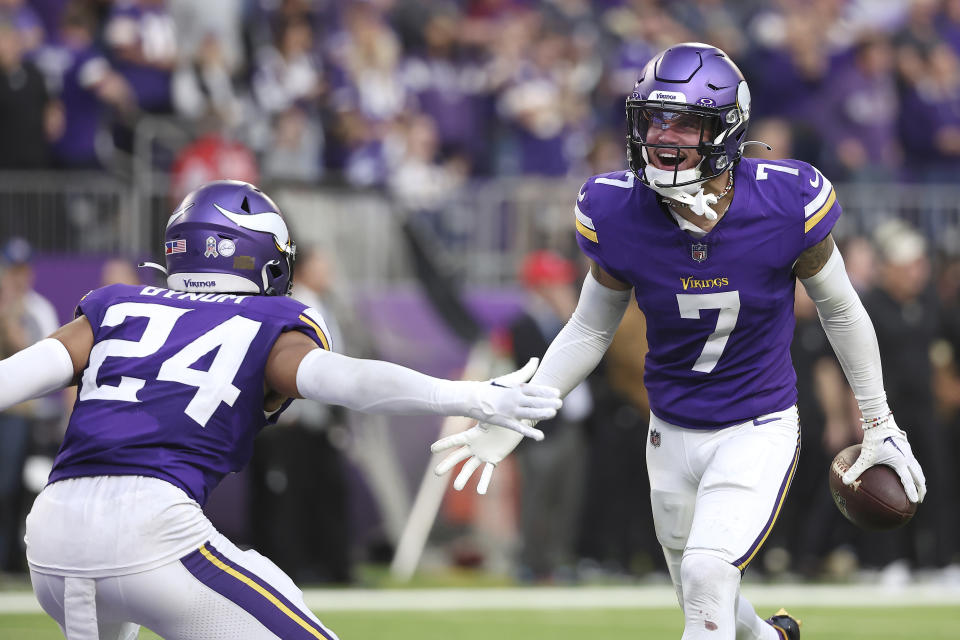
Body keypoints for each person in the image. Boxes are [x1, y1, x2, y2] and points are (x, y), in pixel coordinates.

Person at [433, 43, 927, 640]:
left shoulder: (783, 199)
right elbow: (590, 327)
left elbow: (841, 310)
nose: (666, 137)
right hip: (669, 430)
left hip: (756, 424)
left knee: (706, 574)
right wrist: (521, 409)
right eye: (655, 119)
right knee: (706, 595)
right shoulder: (617, 208)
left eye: (688, 122)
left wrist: (878, 422)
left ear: (728, 129)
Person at [4, 180, 560, 640]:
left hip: (52, 536)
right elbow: (348, 379)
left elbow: (13, 379)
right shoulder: (267, 323)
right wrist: (472, 395)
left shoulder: (117, 305)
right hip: (152, 530)